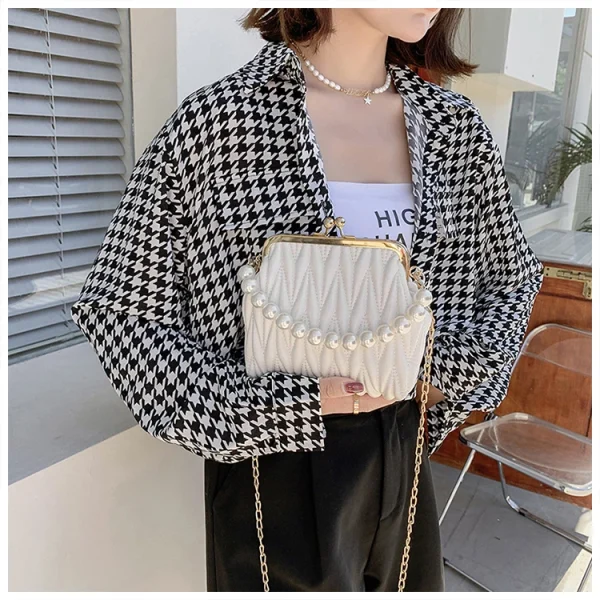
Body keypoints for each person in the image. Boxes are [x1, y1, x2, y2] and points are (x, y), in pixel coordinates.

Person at [70, 7, 545, 593]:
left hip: (404, 444)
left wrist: (444, 369)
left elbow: (511, 276)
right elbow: (122, 312)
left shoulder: (455, 130)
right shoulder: (218, 124)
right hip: (272, 466)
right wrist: (268, 406)